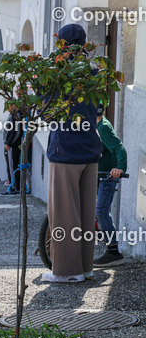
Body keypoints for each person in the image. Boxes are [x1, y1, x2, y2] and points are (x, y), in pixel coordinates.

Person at [42, 23, 103, 283]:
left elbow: (46, 112)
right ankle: (86, 267)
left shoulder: (57, 72)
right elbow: (99, 112)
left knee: (65, 214)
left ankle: (67, 272)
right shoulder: (93, 70)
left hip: (65, 150)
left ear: (62, 45)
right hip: (90, 149)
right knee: (87, 212)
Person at [94, 110, 126, 267]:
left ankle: (113, 252)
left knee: (101, 211)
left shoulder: (103, 127)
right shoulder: (93, 125)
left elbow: (119, 148)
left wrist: (120, 168)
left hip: (108, 175)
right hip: (96, 173)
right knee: (94, 210)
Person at [1, 111, 26, 195]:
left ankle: (15, 187)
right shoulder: (12, 115)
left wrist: (9, 143)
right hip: (11, 145)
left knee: (13, 166)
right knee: (10, 166)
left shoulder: (16, 115)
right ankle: (12, 186)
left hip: (13, 146)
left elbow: (16, 131)